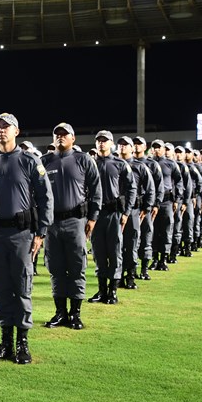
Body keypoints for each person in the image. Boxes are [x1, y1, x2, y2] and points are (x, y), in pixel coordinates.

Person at [0, 113, 53, 364]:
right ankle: (6, 342)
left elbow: (46, 198)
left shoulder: (29, 161)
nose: (1, 131)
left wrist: (41, 232)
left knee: (21, 287)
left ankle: (23, 343)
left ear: (17, 131)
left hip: (22, 234)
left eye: (6, 127)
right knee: (1, 289)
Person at [40, 123, 101, 330]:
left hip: (76, 221)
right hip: (52, 224)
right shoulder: (44, 161)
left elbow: (96, 191)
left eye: (64, 134)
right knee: (55, 268)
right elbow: (36, 194)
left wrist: (92, 218)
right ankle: (60, 313)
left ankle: (75, 314)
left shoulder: (84, 160)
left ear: (73, 138)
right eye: (57, 134)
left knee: (76, 266)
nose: (60, 137)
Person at [86, 130, 135, 305]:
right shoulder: (89, 164)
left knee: (114, 252)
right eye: (98, 140)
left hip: (114, 213)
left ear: (111, 143)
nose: (101, 143)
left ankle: (113, 291)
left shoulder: (120, 164)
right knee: (98, 253)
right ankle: (101, 291)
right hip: (96, 215)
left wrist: (127, 212)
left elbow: (131, 188)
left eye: (105, 140)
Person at [116, 136, 155, 290]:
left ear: (132, 148)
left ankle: (130, 276)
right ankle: (117, 276)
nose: (123, 147)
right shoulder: (113, 164)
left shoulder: (140, 166)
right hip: (115, 209)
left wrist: (147, 207)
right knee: (115, 246)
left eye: (126, 145)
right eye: (120, 145)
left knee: (131, 244)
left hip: (133, 210)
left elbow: (150, 188)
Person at [149, 139, 184, 271]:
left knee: (166, 230)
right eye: (154, 147)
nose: (157, 150)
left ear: (164, 149)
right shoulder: (148, 163)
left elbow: (179, 181)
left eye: (159, 147)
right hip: (151, 202)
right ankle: (154, 258)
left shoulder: (170, 164)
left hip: (166, 201)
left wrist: (177, 199)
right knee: (152, 231)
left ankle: (163, 259)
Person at [132, 136, 163, 281]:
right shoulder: (126, 163)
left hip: (144, 207)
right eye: (135, 144)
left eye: (140, 144)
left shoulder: (151, 164)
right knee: (131, 240)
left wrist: (154, 204)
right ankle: (130, 271)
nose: (137, 146)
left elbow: (157, 186)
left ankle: (144, 269)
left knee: (146, 237)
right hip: (130, 207)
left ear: (145, 147)